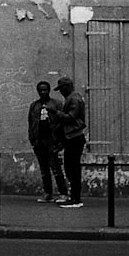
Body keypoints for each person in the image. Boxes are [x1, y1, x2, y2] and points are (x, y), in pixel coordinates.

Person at [27, 81, 69, 204]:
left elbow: (62, 123)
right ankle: (47, 193)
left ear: (49, 90)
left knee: (56, 169)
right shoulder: (34, 106)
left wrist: (61, 142)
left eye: (45, 90)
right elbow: (31, 123)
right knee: (44, 170)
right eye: (41, 90)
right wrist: (32, 140)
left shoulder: (56, 104)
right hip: (39, 141)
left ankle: (63, 193)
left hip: (52, 141)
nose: (43, 92)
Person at [52, 76, 87, 208]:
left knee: (73, 168)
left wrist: (57, 113)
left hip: (75, 137)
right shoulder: (71, 98)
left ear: (67, 87)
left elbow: (71, 117)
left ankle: (76, 199)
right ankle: (73, 197)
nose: (60, 91)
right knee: (69, 167)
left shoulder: (74, 99)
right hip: (71, 137)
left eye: (61, 88)